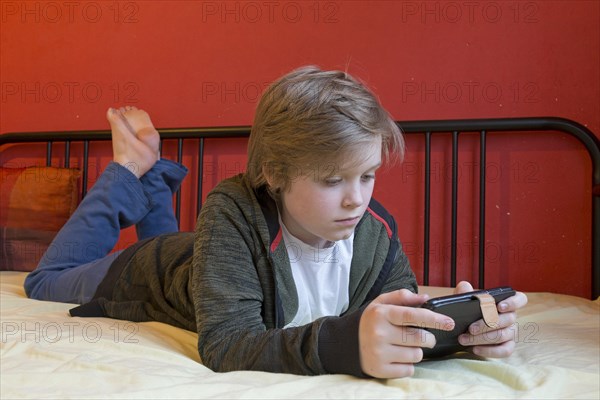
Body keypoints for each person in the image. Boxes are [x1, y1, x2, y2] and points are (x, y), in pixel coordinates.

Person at [24, 66, 528, 379]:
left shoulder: (376, 230)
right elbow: (225, 344)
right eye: (332, 180)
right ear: (274, 174)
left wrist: (458, 334)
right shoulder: (231, 210)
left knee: (192, 251)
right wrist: (343, 345)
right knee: (43, 282)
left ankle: (153, 178)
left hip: (203, 258)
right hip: (147, 270)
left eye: (368, 175)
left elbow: (395, 320)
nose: (357, 200)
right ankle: (129, 170)